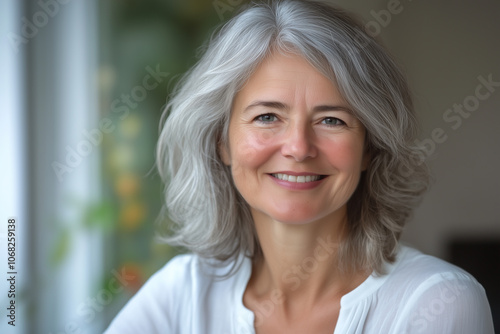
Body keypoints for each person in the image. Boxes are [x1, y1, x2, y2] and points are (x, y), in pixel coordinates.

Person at [105, 0, 494, 333]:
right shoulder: (181, 294)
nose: (298, 147)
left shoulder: (439, 302)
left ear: (369, 149)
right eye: (267, 117)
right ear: (221, 142)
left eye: (332, 120)